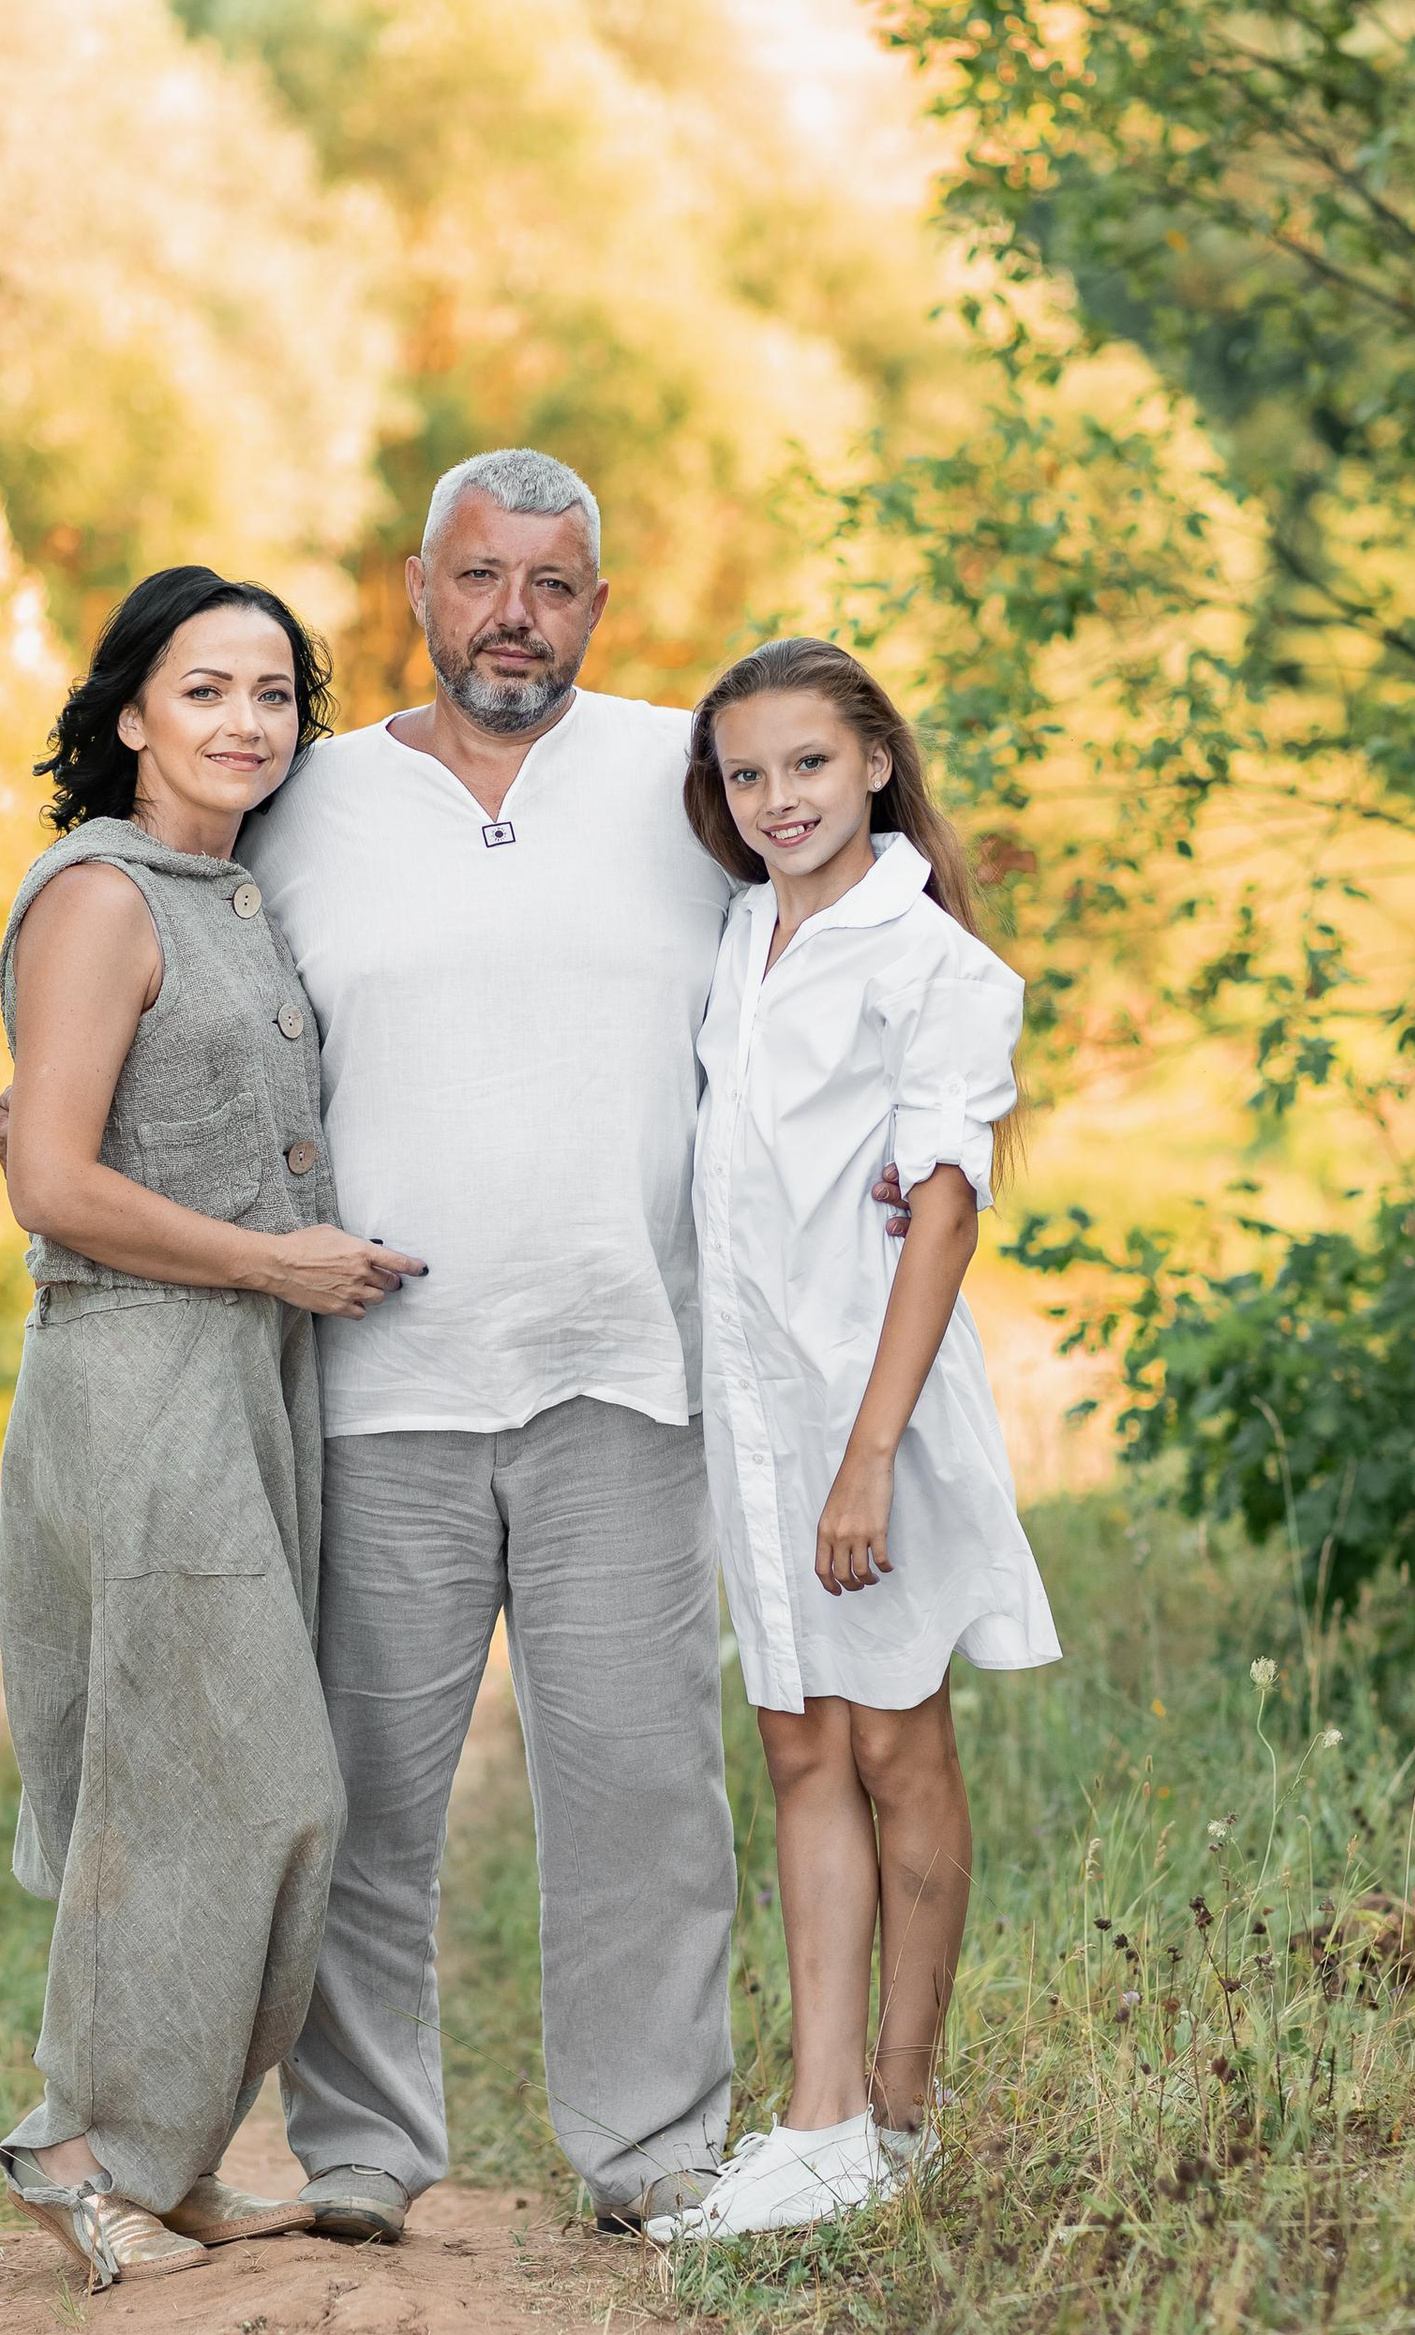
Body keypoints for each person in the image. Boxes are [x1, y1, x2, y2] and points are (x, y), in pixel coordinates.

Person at [235, 450, 748, 2242]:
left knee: (644, 1790)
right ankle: (361, 2147)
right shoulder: (306, 801)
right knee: (366, 1796)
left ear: (598, 606)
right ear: (417, 587)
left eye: (550, 583)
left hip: (630, 1363)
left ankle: (653, 2143)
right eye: (479, 576)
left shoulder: (692, 780)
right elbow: (174, 974)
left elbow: (838, 940)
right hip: (377, 1381)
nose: (511, 616)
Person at [0, 566, 424, 2288]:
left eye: (274, 694)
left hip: (251, 1372)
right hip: (146, 1373)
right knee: (225, 1779)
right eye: (205, 689)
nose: (247, 722)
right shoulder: (102, 894)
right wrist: (272, 1260)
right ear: (129, 715)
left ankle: (163, 2159)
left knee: (219, 1778)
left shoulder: (227, 892)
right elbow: (50, 1180)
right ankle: (80, 2151)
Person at [651, 637, 1060, 2243]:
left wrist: (871, 1452)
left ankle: (899, 2115)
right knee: (801, 1747)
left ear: (876, 763)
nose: (779, 800)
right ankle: (815, 2123)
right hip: (755, 1410)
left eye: (809, 764)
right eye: (747, 774)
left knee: (896, 1741)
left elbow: (943, 1209)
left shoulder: (933, 964)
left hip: (869, 1408)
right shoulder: (737, 935)